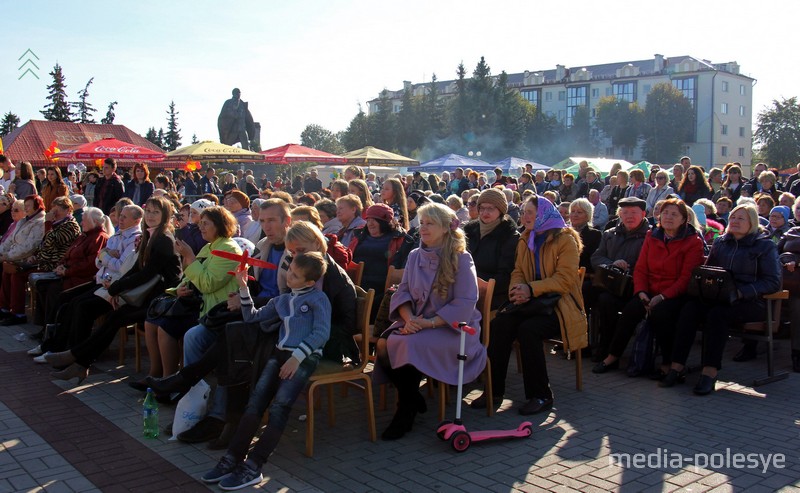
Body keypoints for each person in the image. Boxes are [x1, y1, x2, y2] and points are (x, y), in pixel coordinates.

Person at [200, 252, 330, 489]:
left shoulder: (318, 299)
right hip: (279, 354)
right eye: (289, 271)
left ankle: (253, 466)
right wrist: (243, 287)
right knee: (255, 404)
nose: (288, 276)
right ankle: (232, 458)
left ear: (310, 282)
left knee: (280, 407)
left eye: (295, 275)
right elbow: (252, 317)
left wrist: (297, 358)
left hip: (303, 358)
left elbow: (321, 333)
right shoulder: (283, 300)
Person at [376, 203, 484, 440]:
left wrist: (428, 323)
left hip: (452, 328)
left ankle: (404, 413)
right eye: (422, 223)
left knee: (410, 345)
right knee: (384, 344)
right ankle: (413, 398)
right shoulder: (415, 255)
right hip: (417, 321)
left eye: (430, 223)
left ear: (445, 228)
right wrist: (409, 318)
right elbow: (402, 292)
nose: (423, 228)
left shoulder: (461, 258)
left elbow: (466, 301)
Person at [45, 196, 182, 383]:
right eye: (148, 211)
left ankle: (76, 358)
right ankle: (79, 362)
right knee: (109, 315)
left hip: (162, 297)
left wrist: (116, 289)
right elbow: (137, 268)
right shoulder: (151, 235)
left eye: (156, 212)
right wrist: (116, 290)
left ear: (165, 215)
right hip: (147, 293)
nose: (150, 215)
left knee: (115, 317)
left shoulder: (164, 239)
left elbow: (147, 274)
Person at [474, 195, 586, 414]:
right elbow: (518, 271)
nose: (524, 217)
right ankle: (494, 390)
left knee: (529, 331)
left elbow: (564, 280)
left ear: (543, 214)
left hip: (559, 306)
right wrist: (517, 290)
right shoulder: (526, 237)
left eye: (529, 213)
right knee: (499, 324)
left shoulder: (566, 240)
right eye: (523, 212)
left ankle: (541, 395)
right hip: (529, 302)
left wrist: (531, 289)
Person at [665, 205, 781, 395]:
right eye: (733, 218)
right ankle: (676, 366)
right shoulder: (721, 242)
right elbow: (709, 270)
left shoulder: (764, 245)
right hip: (720, 296)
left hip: (751, 302)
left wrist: (742, 292)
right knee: (689, 309)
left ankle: (709, 372)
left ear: (752, 222)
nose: (734, 221)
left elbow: (772, 282)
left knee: (718, 315)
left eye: (741, 219)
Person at [592, 198, 704, 375]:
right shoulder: (652, 236)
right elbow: (642, 268)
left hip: (673, 294)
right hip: (648, 290)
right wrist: (642, 292)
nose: (668, 217)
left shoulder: (693, 242)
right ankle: (612, 356)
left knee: (661, 313)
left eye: (674, 214)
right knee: (630, 311)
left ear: (684, 219)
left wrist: (662, 297)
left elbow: (685, 279)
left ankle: (667, 364)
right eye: (665, 213)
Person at [143, 206, 240, 378]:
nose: (200, 227)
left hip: (214, 309)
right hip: (196, 302)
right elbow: (190, 278)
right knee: (151, 322)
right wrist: (178, 289)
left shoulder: (229, 249)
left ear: (219, 225)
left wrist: (189, 257)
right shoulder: (209, 247)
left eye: (205, 224)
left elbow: (208, 284)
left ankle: (169, 380)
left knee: (166, 328)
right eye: (200, 223)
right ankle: (156, 373)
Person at [589, 197, 651, 362]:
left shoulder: (650, 236)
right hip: (613, 285)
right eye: (625, 213)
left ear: (643, 214)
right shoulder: (610, 234)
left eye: (634, 213)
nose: (629, 216)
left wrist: (630, 267)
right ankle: (603, 346)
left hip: (637, 287)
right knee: (603, 300)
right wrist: (612, 264)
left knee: (629, 310)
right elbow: (596, 257)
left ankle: (613, 352)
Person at [32, 206, 112, 328]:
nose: (81, 223)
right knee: (41, 285)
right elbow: (68, 254)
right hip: (68, 274)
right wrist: (60, 266)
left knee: (53, 290)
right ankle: (45, 326)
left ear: (94, 222)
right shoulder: (83, 236)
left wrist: (67, 271)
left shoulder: (100, 238)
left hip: (81, 278)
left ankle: (56, 327)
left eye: (84, 220)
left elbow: (89, 265)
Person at [349, 204, 415, 318]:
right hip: (355, 284)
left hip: (382, 288)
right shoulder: (359, 235)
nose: (370, 223)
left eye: (374, 220)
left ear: (385, 222)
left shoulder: (402, 239)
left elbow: (400, 269)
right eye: (368, 220)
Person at [463, 189, 519, 309]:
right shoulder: (469, 231)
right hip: (463, 289)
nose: (485, 212)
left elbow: (505, 276)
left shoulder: (510, 236)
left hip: (493, 295)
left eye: (491, 208)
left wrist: (477, 286)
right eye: (482, 208)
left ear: (501, 210)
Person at [0, 195, 46, 322]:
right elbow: (9, 241)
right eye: (25, 205)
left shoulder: (39, 223)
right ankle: (4, 308)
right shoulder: (23, 221)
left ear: (37, 207)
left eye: (28, 206)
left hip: (30, 260)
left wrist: (8, 256)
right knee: (6, 271)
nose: (26, 208)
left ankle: (18, 313)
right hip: (16, 257)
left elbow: (29, 246)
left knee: (16, 275)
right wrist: (1, 254)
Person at [569, 198, 602, 275]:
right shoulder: (563, 232)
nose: (575, 215)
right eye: (572, 211)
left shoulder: (595, 235)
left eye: (579, 212)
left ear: (587, 216)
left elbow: (592, 260)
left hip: (582, 276)